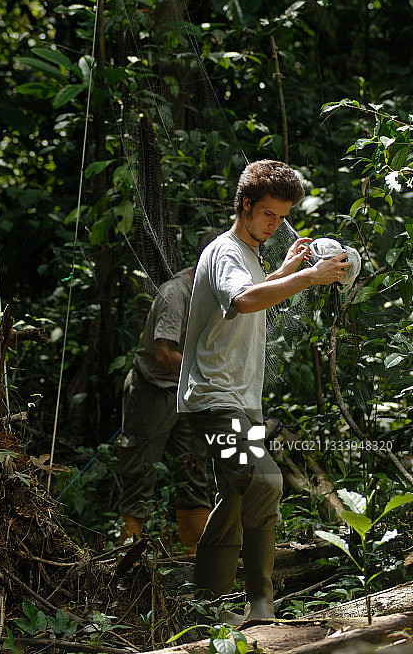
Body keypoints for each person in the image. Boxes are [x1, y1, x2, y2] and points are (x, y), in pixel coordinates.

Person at [177, 160, 351, 620]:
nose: (276, 225)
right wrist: (310, 276)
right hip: (214, 400)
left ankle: (205, 608)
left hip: (240, 402)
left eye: (283, 216)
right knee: (267, 481)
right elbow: (241, 299)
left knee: (235, 498)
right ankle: (261, 606)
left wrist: (286, 270)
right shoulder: (226, 252)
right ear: (246, 205)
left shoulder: (249, 254)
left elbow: (255, 291)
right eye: (270, 215)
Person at [117, 231, 220, 553]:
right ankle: (127, 555)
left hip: (190, 393)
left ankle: (195, 555)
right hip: (154, 389)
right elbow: (164, 353)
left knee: (193, 471)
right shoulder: (177, 293)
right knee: (140, 472)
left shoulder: (217, 294)